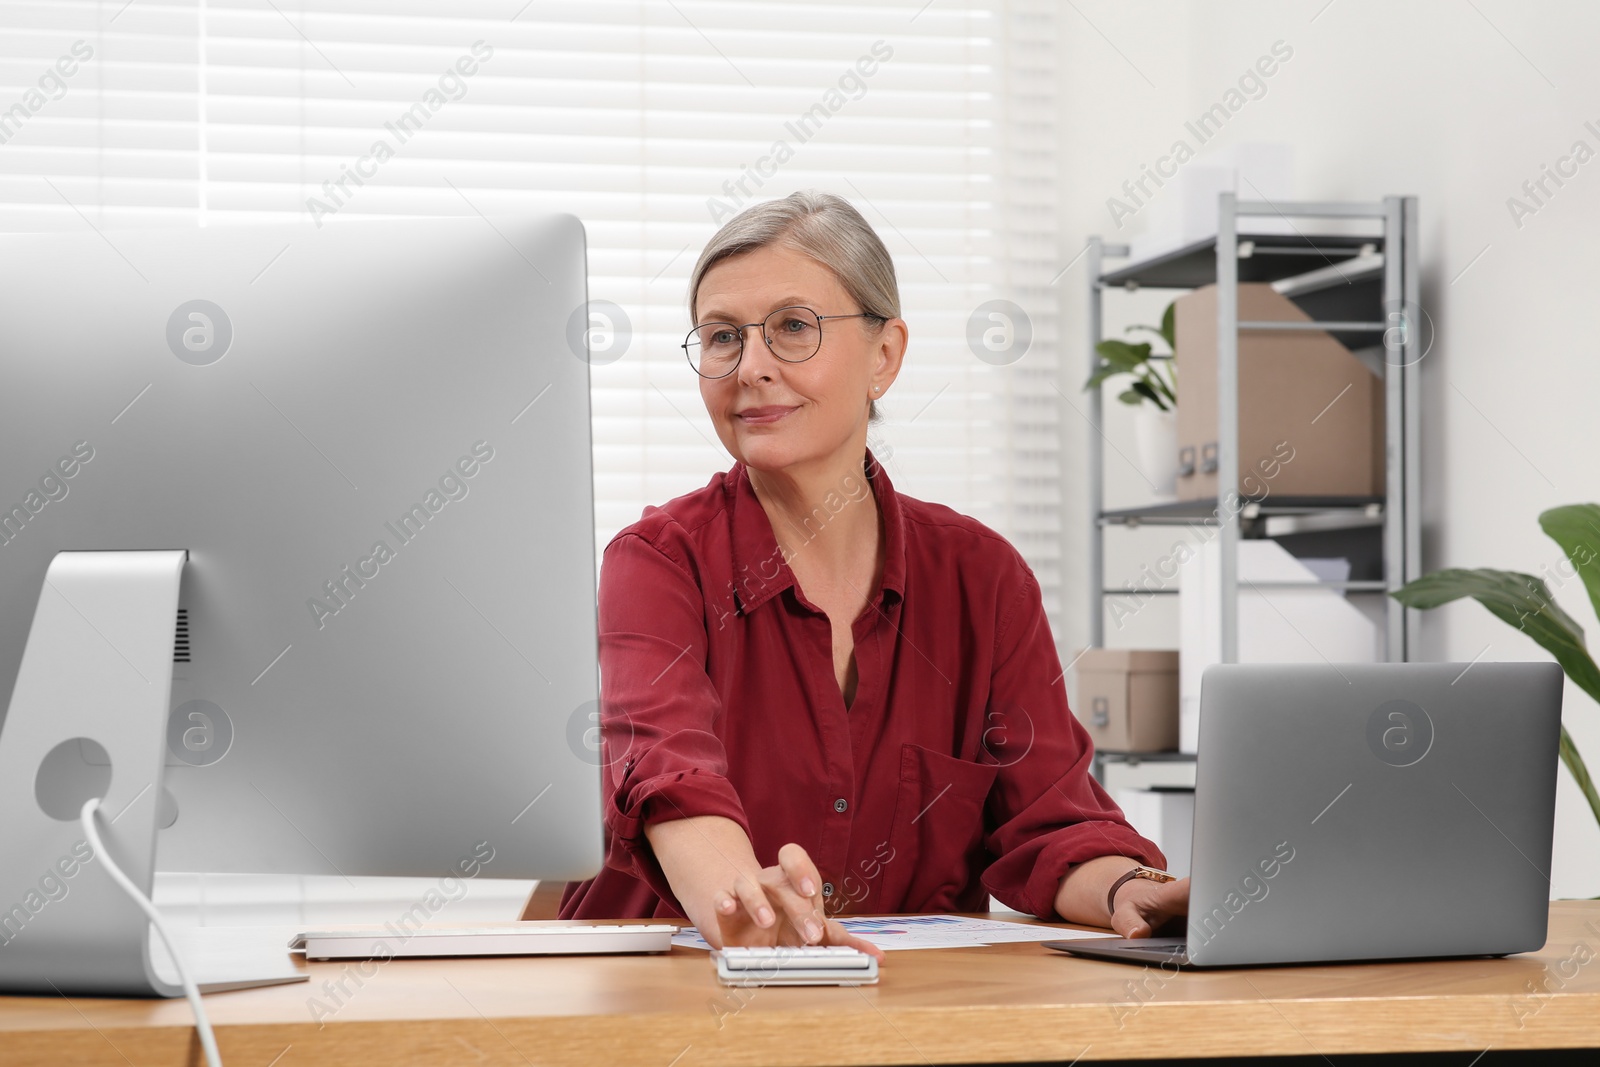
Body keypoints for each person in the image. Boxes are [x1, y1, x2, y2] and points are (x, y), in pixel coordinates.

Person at [557, 190, 1189, 958]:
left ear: (884, 355)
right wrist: (750, 908)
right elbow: (669, 774)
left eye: (793, 327)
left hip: (899, 1017)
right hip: (670, 1016)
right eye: (723, 337)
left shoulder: (980, 576)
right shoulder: (657, 561)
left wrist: (1133, 891)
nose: (751, 367)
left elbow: (1051, 820)